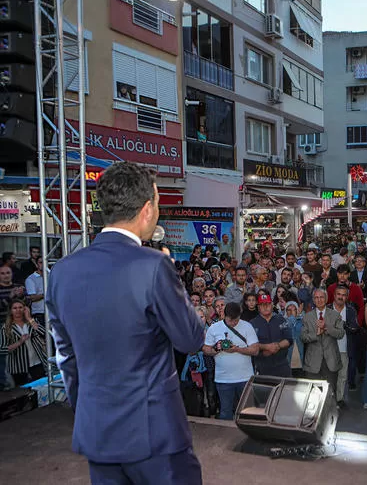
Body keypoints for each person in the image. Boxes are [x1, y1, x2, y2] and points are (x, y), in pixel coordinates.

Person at [46, 162, 205, 484]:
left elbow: (67, 358)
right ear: (147, 209)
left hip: (98, 431)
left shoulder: (62, 271)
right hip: (154, 435)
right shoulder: (155, 265)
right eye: (158, 204)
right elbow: (190, 339)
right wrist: (175, 282)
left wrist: (91, 409)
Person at [203, 302, 260, 419]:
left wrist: (237, 349)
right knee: (225, 412)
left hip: (245, 378)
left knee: (248, 412)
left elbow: (255, 350)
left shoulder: (247, 326)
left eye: (236, 320)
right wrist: (216, 348)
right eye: (231, 320)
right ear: (224, 314)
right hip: (223, 379)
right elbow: (205, 349)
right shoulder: (214, 328)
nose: (234, 323)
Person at [301, 289, 345, 396]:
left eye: (321, 297)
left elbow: (340, 334)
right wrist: (316, 335)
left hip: (331, 360)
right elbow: (303, 337)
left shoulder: (335, 315)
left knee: (330, 392)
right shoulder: (307, 317)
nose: (319, 300)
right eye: (316, 297)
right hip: (313, 361)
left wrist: (326, 327)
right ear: (313, 300)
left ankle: (331, 413)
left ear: (326, 299)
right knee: (313, 393)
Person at [1, 299, 47, 385]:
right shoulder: (6, 327)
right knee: (24, 392)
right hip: (18, 366)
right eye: (15, 308)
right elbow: (2, 349)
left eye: (20, 307)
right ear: (10, 311)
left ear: (25, 309)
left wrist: (29, 318)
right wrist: (19, 342)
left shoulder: (32, 322)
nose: (18, 310)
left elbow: (44, 333)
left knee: (41, 388)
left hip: (37, 362)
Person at [250, 293, 293, 377]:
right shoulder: (252, 323)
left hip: (282, 365)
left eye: (268, 304)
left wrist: (278, 346)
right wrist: (266, 347)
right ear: (258, 307)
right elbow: (251, 344)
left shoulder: (280, 319)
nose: (265, 307)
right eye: (262, 304)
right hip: (262, 366)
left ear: (272, 305)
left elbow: (289, 339)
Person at [331, 285, 359, 407]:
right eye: (339, 294)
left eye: (343, 295)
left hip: (344, 348)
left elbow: (354, 328)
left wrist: (344, 324)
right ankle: (328, 399)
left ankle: (339, 399)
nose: (341, 297)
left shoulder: (350, 310)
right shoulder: (327, 309)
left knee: (342, 376)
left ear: (347, 297)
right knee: (329, 376)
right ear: (334, 295)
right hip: (328, 349)